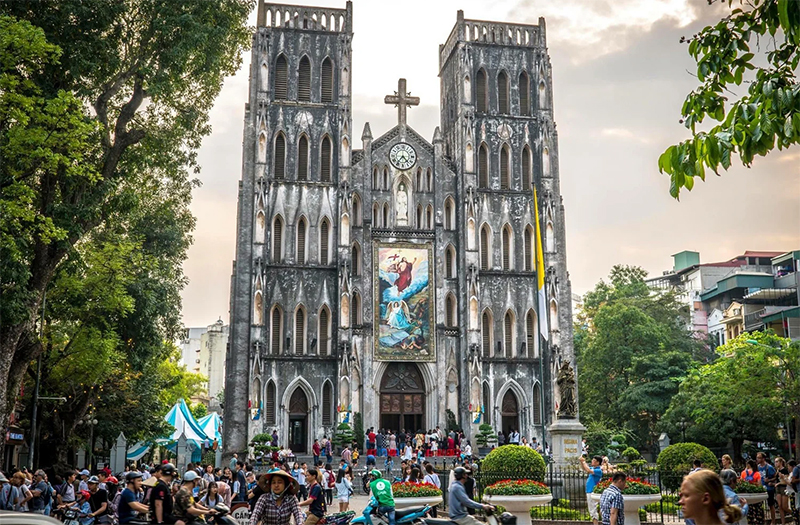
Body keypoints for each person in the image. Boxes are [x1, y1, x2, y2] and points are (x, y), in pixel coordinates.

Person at [580, 456, 604, 525]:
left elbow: (588, 470)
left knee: (593, 510)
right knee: (592, 509)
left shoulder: (598, 470)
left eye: (593, 460)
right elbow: (584, 468)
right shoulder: (593, 469)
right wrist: (582, 462)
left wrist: (584, 462)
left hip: (592, 491)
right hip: (590, 491)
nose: (592, 461)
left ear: (597, 462)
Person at [757, 452, 778, 524]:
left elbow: (776, 476)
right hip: (761, 488)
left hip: (769, 488)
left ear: (763, 458)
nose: (758, 459)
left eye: (759, 458)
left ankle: (773, 520)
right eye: (757, 458)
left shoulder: (769, 467)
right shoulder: (757, 467)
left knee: (771, 504)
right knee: (762, 505)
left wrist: (769, 480)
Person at [775, 457, 790, 525]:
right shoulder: (777, 471)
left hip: (783, 488)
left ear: (781, 462)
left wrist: (780, 480)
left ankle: (794, 514)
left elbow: (785, 481)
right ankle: (783, 522)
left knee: (784, 506)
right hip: (778, 488)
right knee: (780, 506)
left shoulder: (784, 470)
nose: (776, 463)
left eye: (777, 462)